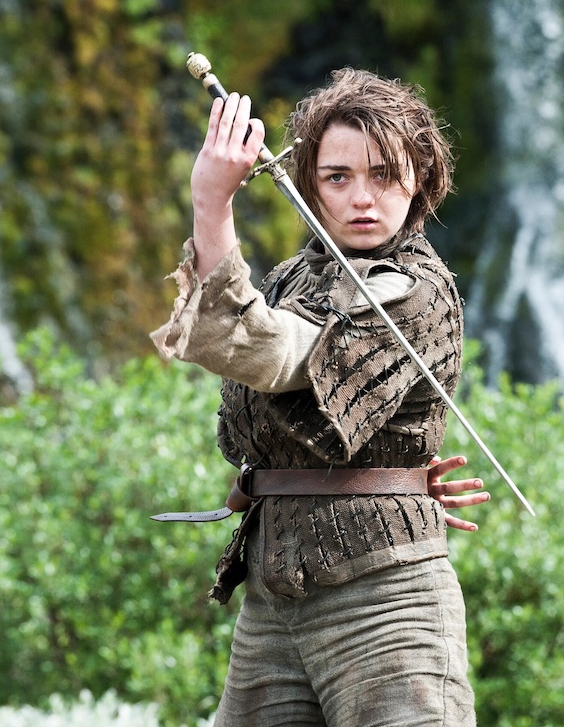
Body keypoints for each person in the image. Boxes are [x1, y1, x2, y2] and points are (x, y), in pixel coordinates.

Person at [150, 68, 483, 725]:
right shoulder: (291, 280)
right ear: (308, 184)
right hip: (271, 602)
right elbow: (265, 407)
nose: (362, 198)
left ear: (419, 178)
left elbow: (271, 353)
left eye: (384, 175)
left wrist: (212, 204)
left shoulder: (414, 288)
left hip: (387, 602)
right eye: (337, 177)